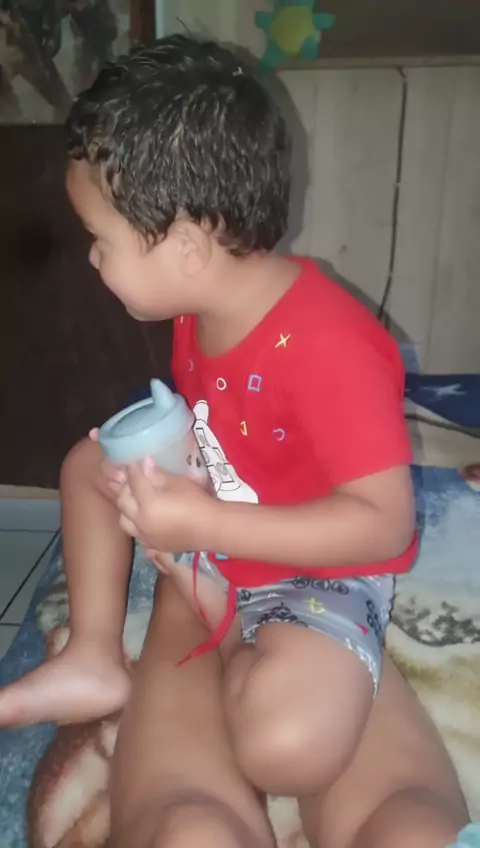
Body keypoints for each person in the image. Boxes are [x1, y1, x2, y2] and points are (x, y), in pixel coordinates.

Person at [0, 35, 469, 847]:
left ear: (185, 249)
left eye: (101, 239)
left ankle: (223, 620)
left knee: (284, 746)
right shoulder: (203, 308)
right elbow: (234, 423)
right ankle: (95, 655)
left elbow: (384, 526)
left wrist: (202, 527)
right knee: (86, 465)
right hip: (228, 516)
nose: (92, 258)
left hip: (319, 567)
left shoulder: (331, 345)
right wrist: (174, 465)